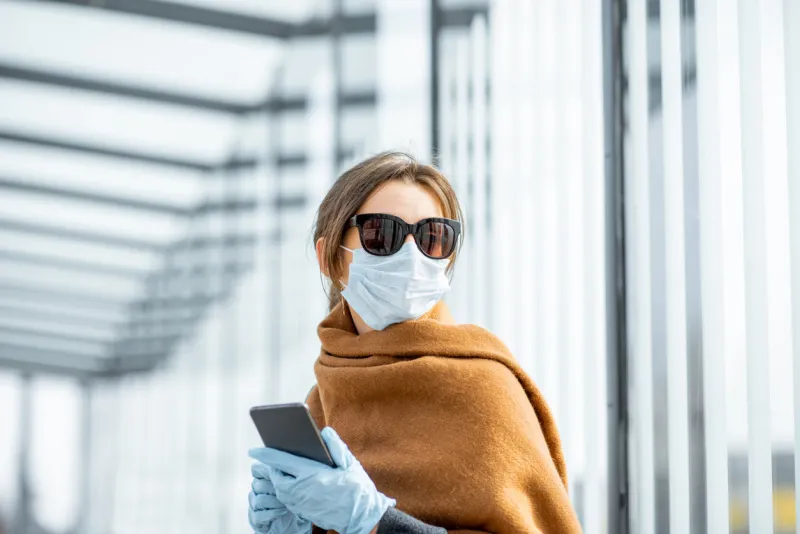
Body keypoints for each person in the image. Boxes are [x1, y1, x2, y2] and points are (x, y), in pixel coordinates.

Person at [247, 152, 582, 534]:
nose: (410, 255)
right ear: (330, 258)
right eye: (381, 234)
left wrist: (376, 522)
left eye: (432, 237)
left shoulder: (485, 388)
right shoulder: (324, 399)